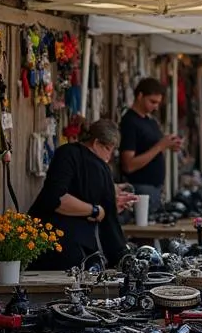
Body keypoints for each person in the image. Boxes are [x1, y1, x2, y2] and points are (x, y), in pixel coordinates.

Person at [31, 119, 137, 269]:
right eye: (108, 149)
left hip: (41, 243)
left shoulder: (65, 152)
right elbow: (56, 199)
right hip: (72, 248)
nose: (109, 156)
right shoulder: (100, 167)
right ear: (96, 143)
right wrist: (95, 210)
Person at [119, 78, 181, 210]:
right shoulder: (130, 122)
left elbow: (153, 148)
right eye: (152, 102)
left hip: (155, 187)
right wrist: (160, 146)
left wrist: (169, 144)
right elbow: (128, 165)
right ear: (140, 96)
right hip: (141, 187)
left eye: (158, 103)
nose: (156, 107)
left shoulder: (150, 121)